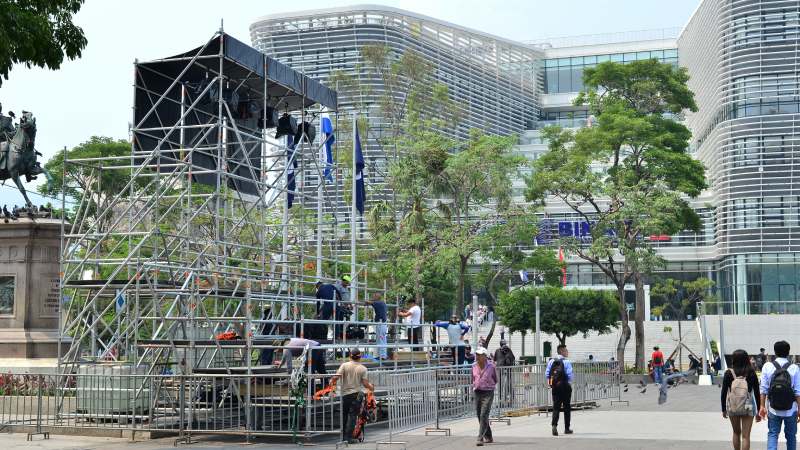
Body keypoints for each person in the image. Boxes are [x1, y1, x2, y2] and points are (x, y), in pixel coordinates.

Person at [759, 340, 800, 450]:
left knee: (773, 434)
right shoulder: (794, 368)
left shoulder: (767, 366)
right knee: (791, 436)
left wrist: (762, 406)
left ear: (775, 352)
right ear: (788, 352)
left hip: (773, 408)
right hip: (791, 409)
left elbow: (763, 389)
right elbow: (797, 391)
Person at [330, 348, 374, 444]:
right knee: (353, 416)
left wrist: (331, 384)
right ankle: (348, 437)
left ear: (350, 356)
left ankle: (343, 437)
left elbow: (335, 377)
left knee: (344, 416)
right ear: (360, 357)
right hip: (356, 394)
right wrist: (371, 387)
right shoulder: (363, 368)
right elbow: (365, 384)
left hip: (345, 394)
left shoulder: (344, 365)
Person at [722, 349, 761, 450]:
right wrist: (758, 411)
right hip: (748, 405)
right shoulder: (751, 372)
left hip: (733, 405)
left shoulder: (729, 373)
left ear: (734, 359)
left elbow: (724, 392)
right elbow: (757, 392)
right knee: (745, 436)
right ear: (746, 359)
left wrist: (723, 409)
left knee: (736, 432)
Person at [545, 344, 574, 436]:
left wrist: (551, 384)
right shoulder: (567, 362)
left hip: (555, 387)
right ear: (561, 351)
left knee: (556, 407)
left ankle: (554, 425)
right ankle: (567, 428)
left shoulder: (551, 361)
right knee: (567, 407)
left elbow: (547, 374)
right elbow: (570, 375)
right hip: (565, 386)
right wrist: (568, 382)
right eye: (566, 350)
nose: (567, 352)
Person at [472, 347, 497, 446]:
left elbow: (495, 379)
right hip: (477, 392)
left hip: (488, 392)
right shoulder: (473, 366)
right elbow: (472, 378)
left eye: (479, 355)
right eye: (476, 354)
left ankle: (480, 437)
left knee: (484, 414)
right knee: (480, 415)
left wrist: (488, 385)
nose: (477, 356)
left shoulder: (491, 366)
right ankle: (489, 436)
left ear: (485, 356)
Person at [365, 292, 388, 359]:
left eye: (374, 296)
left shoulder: (379, 303)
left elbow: (368, 302)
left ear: (377, 297)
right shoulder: (381, 303)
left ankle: (383, 356)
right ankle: (380, 355)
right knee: (380, 339)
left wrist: (368, 301)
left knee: (381, 339)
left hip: (381, 323)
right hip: (381, 323)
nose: (373, 297)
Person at [494, 340, 516, 405]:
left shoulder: (506, 350)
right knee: (503, 385)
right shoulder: (499, 350)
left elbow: (513, 358)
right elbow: (495, 359)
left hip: (505, 369)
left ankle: (507, 400)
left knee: (506, 384)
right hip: (503, 370)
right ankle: (502, 400)